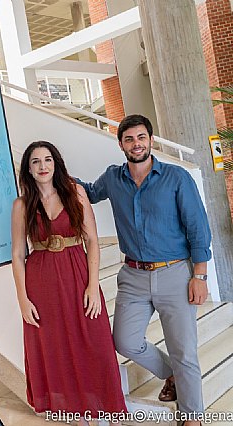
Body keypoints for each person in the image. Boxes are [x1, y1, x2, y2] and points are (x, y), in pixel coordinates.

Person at [79, 114, 210, 426]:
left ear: (150, 140)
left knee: (184, 350)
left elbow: (199, 229)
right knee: (124, 340)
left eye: (141, 137)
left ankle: (192, 418)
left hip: (175, 274)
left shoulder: (176, 178)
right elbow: (88, 193)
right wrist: (54, 175)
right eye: (129, 139)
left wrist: (200, 276)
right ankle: (172, 375)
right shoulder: (113, 178)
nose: (136, 144)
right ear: (121, 144)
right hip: (133, 276)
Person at [11, 140, 127, 424]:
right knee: (56, 350)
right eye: (35, 161)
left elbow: (92, 241)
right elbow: (17, 254)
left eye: (47, 160)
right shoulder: (21, 205)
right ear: (28, 168)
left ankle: (105, 411)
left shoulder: (75, 192)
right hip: (41, 284)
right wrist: (23, 299)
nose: (42, 166)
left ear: (56, 163)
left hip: (77, 276)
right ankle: (78, 418)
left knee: (93, 343)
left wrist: (92, 286)